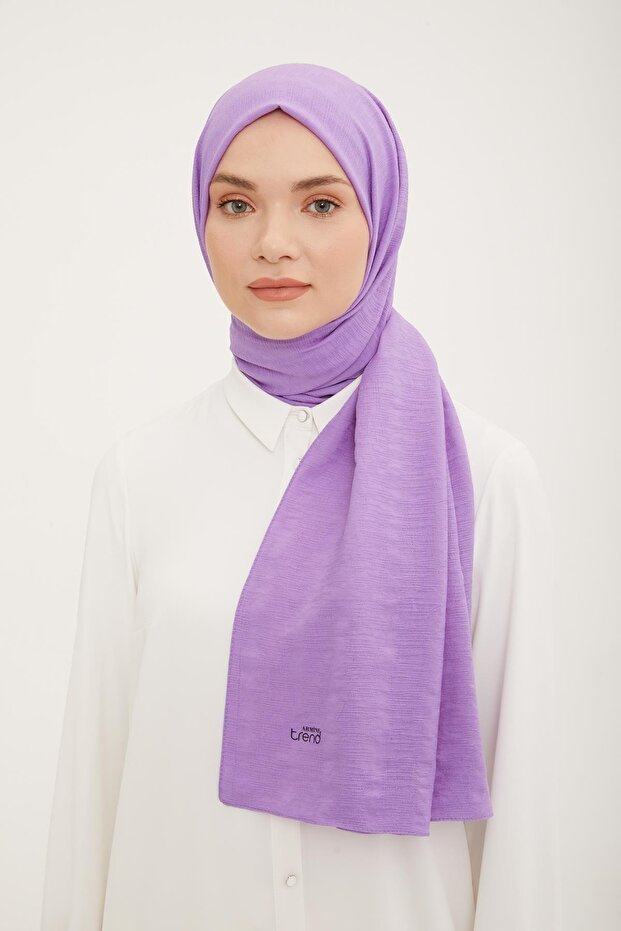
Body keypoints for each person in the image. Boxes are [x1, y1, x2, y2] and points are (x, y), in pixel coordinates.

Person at [40, 64, 561, 930]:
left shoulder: (486, 474)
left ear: (381, 216)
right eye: (236, 203)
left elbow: (524, 813)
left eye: (319, 203)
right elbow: (94, 779)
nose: (272, 242)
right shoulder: (139, 473)